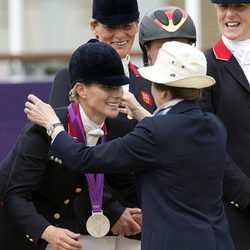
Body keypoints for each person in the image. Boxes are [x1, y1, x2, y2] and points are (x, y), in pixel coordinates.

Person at [25, 41, 235, 250]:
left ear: (161, 91)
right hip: (217, 240)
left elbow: (84, 159)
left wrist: (53, 126)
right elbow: (173, 138)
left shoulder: (156, 132)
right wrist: (141, 113)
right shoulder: (214, 125)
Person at [0, 39, 135, 250]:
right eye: (108, 87)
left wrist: (131, 211)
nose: (117, 94)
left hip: (79, 237)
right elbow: (15, 196)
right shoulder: (41, 130)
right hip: (29, 238)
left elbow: (125, 185)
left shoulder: (120, 128)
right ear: (80, 89)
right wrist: (47, 231)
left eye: (119, 86)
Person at [49, 0, 155, 248]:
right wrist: (111, 209)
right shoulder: (70, 78)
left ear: (137, 25)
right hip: (84, 220)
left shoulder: (148, 82)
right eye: (110, 26)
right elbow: (63, 147)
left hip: (138, 221)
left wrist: (147, 209)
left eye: (127, 25)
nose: (120, 34)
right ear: (94, 27)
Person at [198, 1, 250, 249]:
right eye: (223, 7)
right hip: (232, 208)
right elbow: (207, 143)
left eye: (239, 6)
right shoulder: (205, 66)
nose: (229, 15)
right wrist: (246, 194)